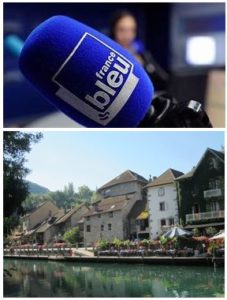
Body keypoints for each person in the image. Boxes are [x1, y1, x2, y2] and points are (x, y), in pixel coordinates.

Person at [110, 10, 169, 90]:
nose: (128, 36)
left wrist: (145, 66)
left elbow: (163, 79)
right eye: (122, 30)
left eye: (132, 30)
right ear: (113, 31)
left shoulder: (142, 55)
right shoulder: (108, 56)